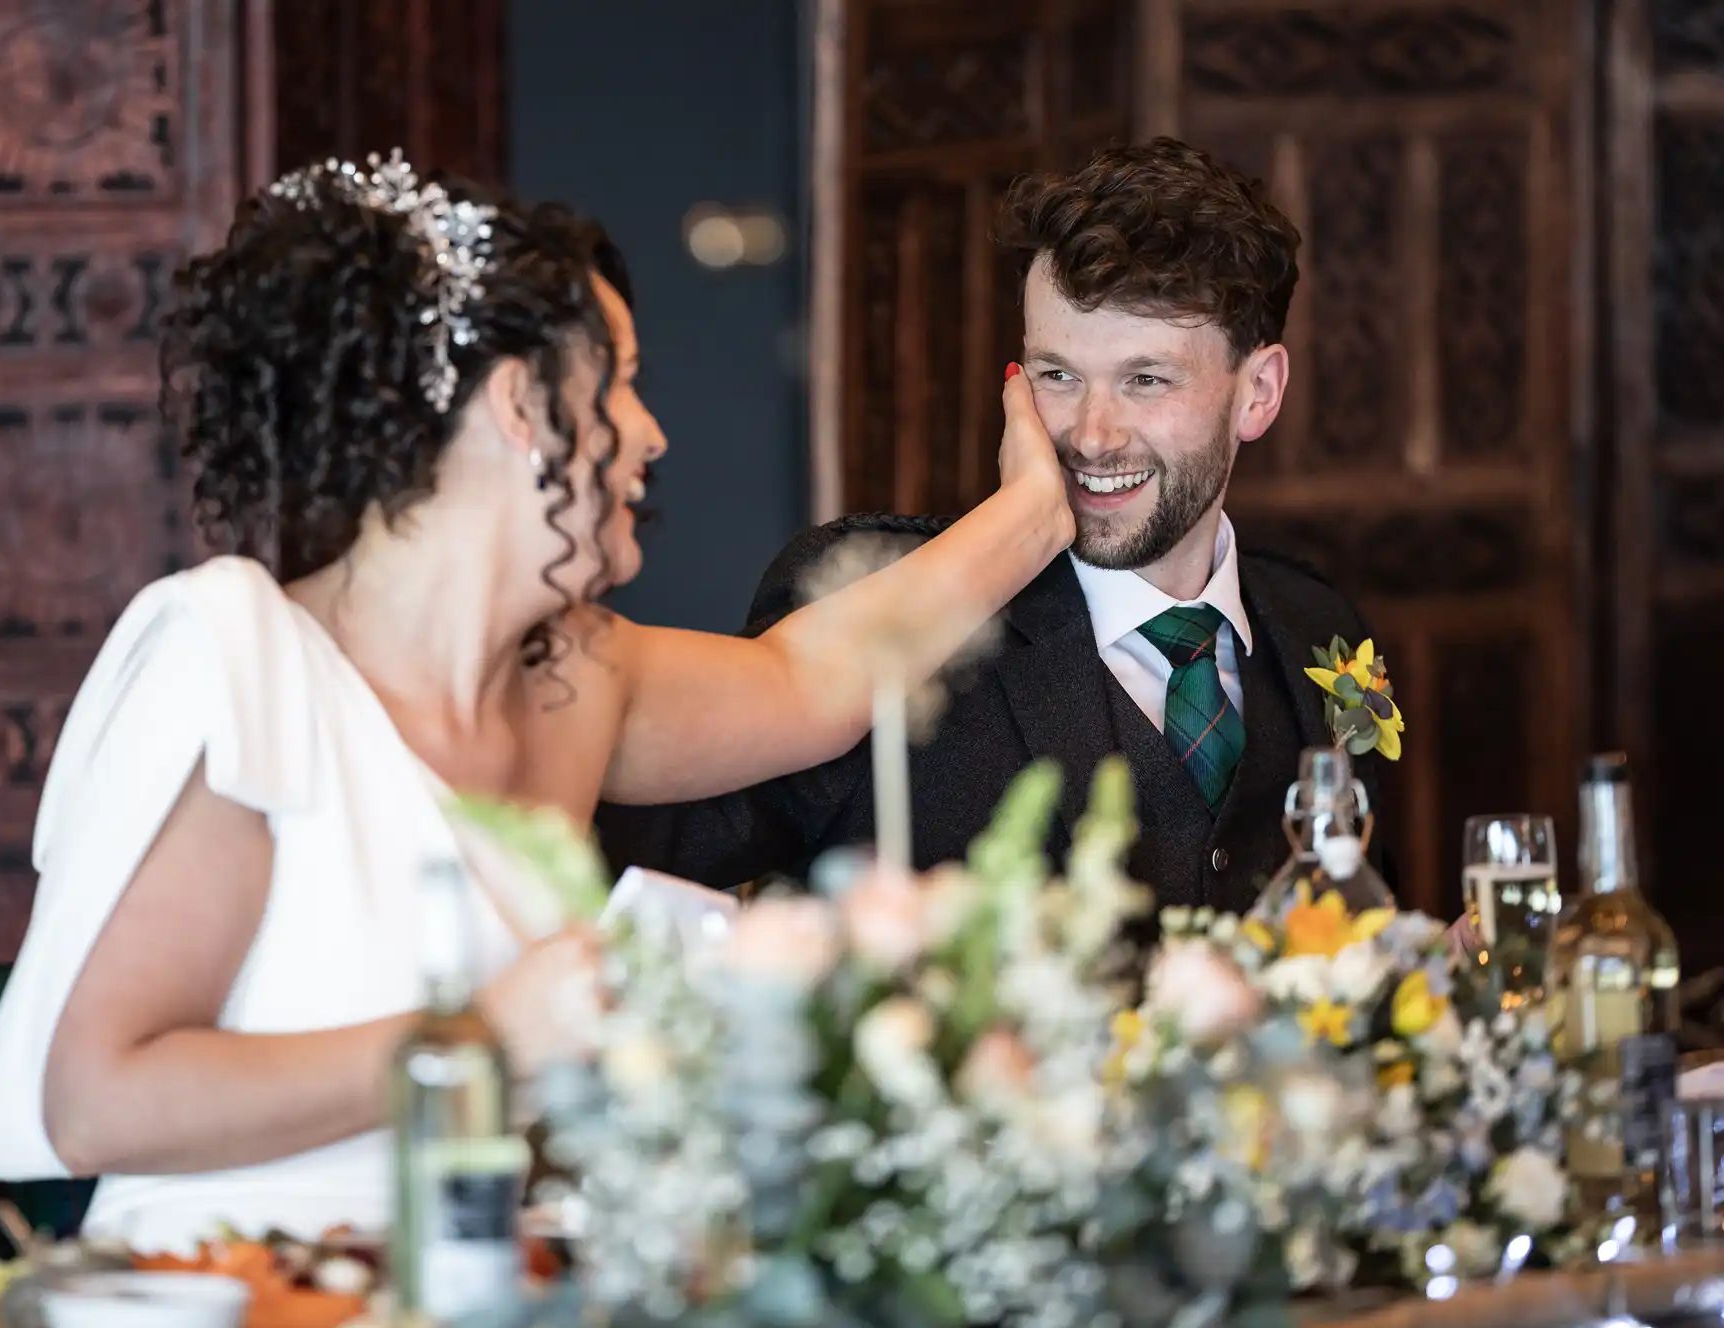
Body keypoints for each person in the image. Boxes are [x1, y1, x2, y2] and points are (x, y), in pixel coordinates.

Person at [0, 153, 1070, 1250]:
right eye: (621, 380)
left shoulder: (570, 673)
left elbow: (813, 677)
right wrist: (480, 1040)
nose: (651, 433)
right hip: (230, 1283)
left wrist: (1034, 513)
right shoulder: (242, 662)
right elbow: (95, 1100)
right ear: (520, 405)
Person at [597, 137, 1393, 913]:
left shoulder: (1317, 626)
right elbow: (617, 871)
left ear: (1258, 392)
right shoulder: (873, 605)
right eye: (1057, 375)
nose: (1092, 432)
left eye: (1145, 380)